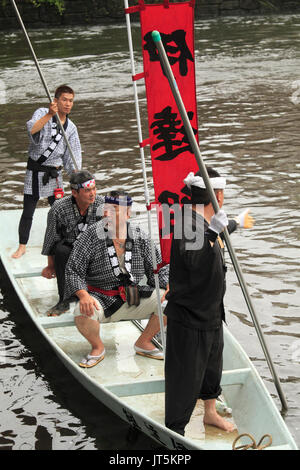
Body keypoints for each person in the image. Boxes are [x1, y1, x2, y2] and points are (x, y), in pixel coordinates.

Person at [164, 167, 254, 436]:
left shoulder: (206, 220)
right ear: (216, 195)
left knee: (212, 369)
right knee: (185, 377)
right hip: (189, 316)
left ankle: (210, 413)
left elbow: (220, 229)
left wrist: (235, 222)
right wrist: (213, 234)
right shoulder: (186, 222)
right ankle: (175, 430)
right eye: (221, 193)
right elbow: (195, 262)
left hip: (211, 311)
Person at [64, 190, 169, 368]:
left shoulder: (140, 236)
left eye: (114, 209)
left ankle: (143, 342)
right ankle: (97, 347)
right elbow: (73, 270)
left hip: (134, 296)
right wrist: (83, 296)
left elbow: (159, 269)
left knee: (174, 301)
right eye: (105, 208)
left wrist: (168, 286)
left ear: (128, 213)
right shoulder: (90, 236)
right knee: (81, 313)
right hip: (100, 298)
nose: (107, 213)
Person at [12, 84, 82, 259]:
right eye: (64, 100)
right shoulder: (42, 112)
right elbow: (31, 129)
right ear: (56, 101)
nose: (67, 104)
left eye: (70, 101)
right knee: (28, 210)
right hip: (35, 172)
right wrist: (50, 115)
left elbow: (72, 155)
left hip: (54, 175)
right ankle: (22, 246)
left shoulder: (71, 128)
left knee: (61, 211)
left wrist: (77, 177)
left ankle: (66, 244)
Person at [41, 170, 104, 316]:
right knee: (61, 250)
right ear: (75, 193)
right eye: (87, 190)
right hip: (69, 253)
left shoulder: (102, 204)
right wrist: (51, 266)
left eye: (94, 189)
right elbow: (51, 240)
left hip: (94, 253)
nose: (92, 193)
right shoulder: (58, 208)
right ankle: (65, 300)